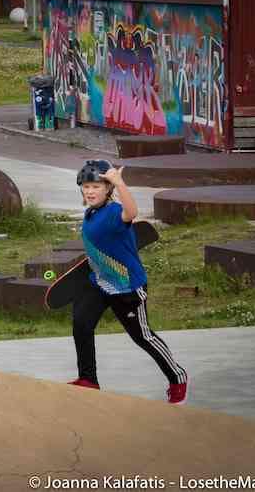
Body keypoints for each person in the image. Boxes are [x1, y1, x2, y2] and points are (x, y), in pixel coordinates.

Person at [68, 159, 188, 404]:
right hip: (101, 282)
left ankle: (177, 376)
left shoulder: (113, 213)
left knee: (142, 337)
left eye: (97, 187)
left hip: (127, 287)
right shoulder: (91, 213)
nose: (90, 191)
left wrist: (120, 182)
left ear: (108, 189)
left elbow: (131, 213)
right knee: (81, 322)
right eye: (86, 186)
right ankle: (88, 379)